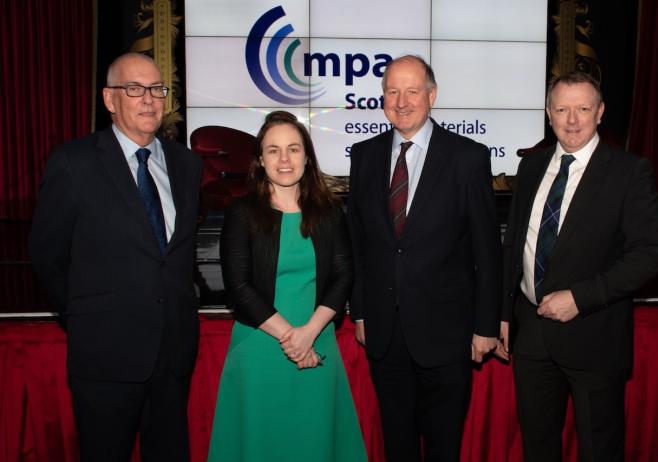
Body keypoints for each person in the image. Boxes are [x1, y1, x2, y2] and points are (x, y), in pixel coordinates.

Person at [29, 52, 202, 461]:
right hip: (104, 356)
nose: (148, 99)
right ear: (110, 99)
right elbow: (46, 255)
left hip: (173, 355)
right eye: (134, 89)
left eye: (157, 89)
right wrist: (84, 316)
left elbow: (177, 256)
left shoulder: (186, 165)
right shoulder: (74, 162)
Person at [496, 71, 658, 461]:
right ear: (548, 113)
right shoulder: (531, 166)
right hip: (532, 335)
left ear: (600, 112)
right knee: (538, 448)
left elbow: (649, 254)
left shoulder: (629, 172)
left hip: (595, 335)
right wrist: (504, 313)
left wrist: (580, 298)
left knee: (598, 449)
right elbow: (513, 246)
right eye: (562, 109)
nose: (572, 120)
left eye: (583, 109)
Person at [347, 55, 502, 462]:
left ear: (432, 95)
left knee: (443, 447)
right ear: (382, 98)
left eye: (412, 90)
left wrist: (486, 325)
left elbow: (488, 251)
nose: (402, 101)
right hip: (385, 332)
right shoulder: (363, 156)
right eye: (392, 91)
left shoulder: (468, 157)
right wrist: (359, 312)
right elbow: (358, 244)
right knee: (397, 445)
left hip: (448, 335)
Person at [207, 111, 367, 462]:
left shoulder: (328, 210)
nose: (284, 159)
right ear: (260, 160)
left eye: (293, 149)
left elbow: (344, 274)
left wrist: (308, 333)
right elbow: (239, 286)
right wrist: (291, 338)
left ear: (307, 157)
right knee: (261, 447)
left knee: (314, 444)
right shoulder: (242, 212)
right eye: (273, 150)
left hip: (317, 344)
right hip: (260, 347)